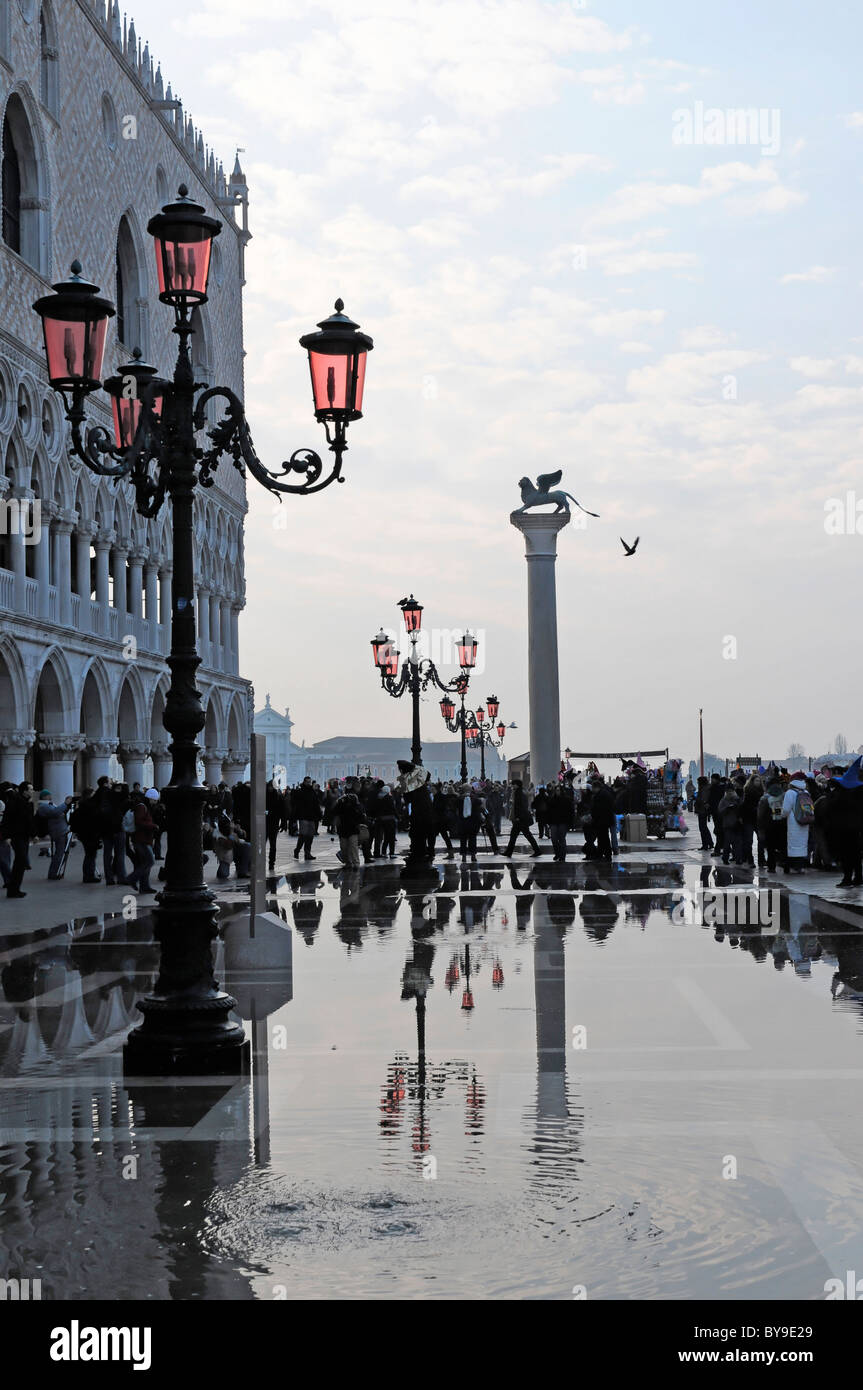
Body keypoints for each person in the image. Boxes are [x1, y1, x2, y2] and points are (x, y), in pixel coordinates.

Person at [2, 781, 35, 897]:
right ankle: (13, 889)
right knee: (20, 862)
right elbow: (8, 820)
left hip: (23, 836)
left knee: (20, 863)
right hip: (17, 836)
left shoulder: (27, 803)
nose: (32, 791)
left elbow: (29, 821)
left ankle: (14, 888)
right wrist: (7, 836)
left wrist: (33, 834)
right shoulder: (16, 802)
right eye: (30, 789)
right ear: (25, 791)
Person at [781, 771, 813, 873]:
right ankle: (801, 866)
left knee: (793, 844)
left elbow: (786, 809)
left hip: (793, 821)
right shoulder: (806, 793)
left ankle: (794, 867)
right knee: (802, 844)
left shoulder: (789, 793)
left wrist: (782, 816)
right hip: (804, 821)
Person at [126, 791, 156, 894]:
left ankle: (144, 886)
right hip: (141, 839)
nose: (154, 802)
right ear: (150, 798)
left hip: (142, 838)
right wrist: (152, 826)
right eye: (154, 800)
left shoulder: (142, 806)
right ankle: (132, 878)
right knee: (150, 861)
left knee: (145, 862)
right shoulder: (142, 807)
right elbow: (139, 821)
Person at [70, 787, 102, 882]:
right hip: (90, 833)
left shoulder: (81, 805)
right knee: (91, 855)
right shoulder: (90, 806)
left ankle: (88, 875)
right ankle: (89, 876)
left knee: (89, 854)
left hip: (84, 834)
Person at [35, 790, 69, 879]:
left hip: (60, 830)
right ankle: (53, 873)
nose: (50, 796)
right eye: (48, 795)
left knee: (61, 853)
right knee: (59, 853)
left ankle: (57, 871)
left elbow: (58, 812)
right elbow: (55, 812)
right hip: (58, 831)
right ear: (44, 797)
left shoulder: (49, 804)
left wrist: (66, 806)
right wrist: (65, 803)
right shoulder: (43, 806)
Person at [503, 779, 540, 857]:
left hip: (520, 819)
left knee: (517, 835)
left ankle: (509, 852)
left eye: (513, 784)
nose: (512, 786)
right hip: (521, 818)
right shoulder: (521, 792)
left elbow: (520, 806)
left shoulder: (518, 793)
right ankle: (508, 852)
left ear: (517, 785)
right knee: (522, 835)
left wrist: (518, 817)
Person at [292, 776, 320, 861]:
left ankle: (307, 853)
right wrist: (295, 816)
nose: (308, 783)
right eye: (307, 782)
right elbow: (296, 805)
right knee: (303, 835)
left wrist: (318, 814)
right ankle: (297, 850)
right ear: (304, 782)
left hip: (311, 816)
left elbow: (316, 804)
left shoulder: (312, 792)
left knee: (310, 836)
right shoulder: (300, 792)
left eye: (309, 782)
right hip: (303, 816)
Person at [695, 775, 713, 850]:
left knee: (702, 827)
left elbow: (703, 799)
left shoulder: (704, 789)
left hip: (702, 810)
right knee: (704, 827)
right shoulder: (706, 788)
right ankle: (709, 842)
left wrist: (698, 800)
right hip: (703, 809)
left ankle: (705, 844)